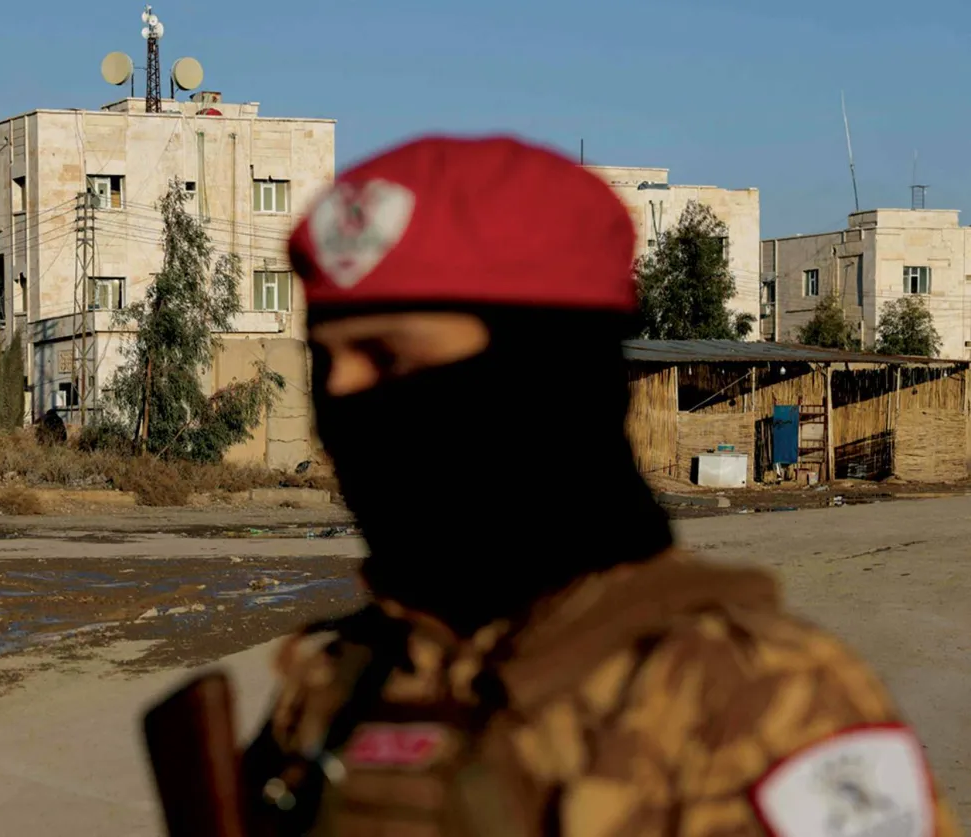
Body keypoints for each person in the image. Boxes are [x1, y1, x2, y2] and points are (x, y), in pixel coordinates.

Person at [237, 135, 963, 836]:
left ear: (545, 379)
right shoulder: (341, 677)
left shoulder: (761, 703)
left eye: (388, 357)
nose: (345, 398)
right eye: (324, 363)